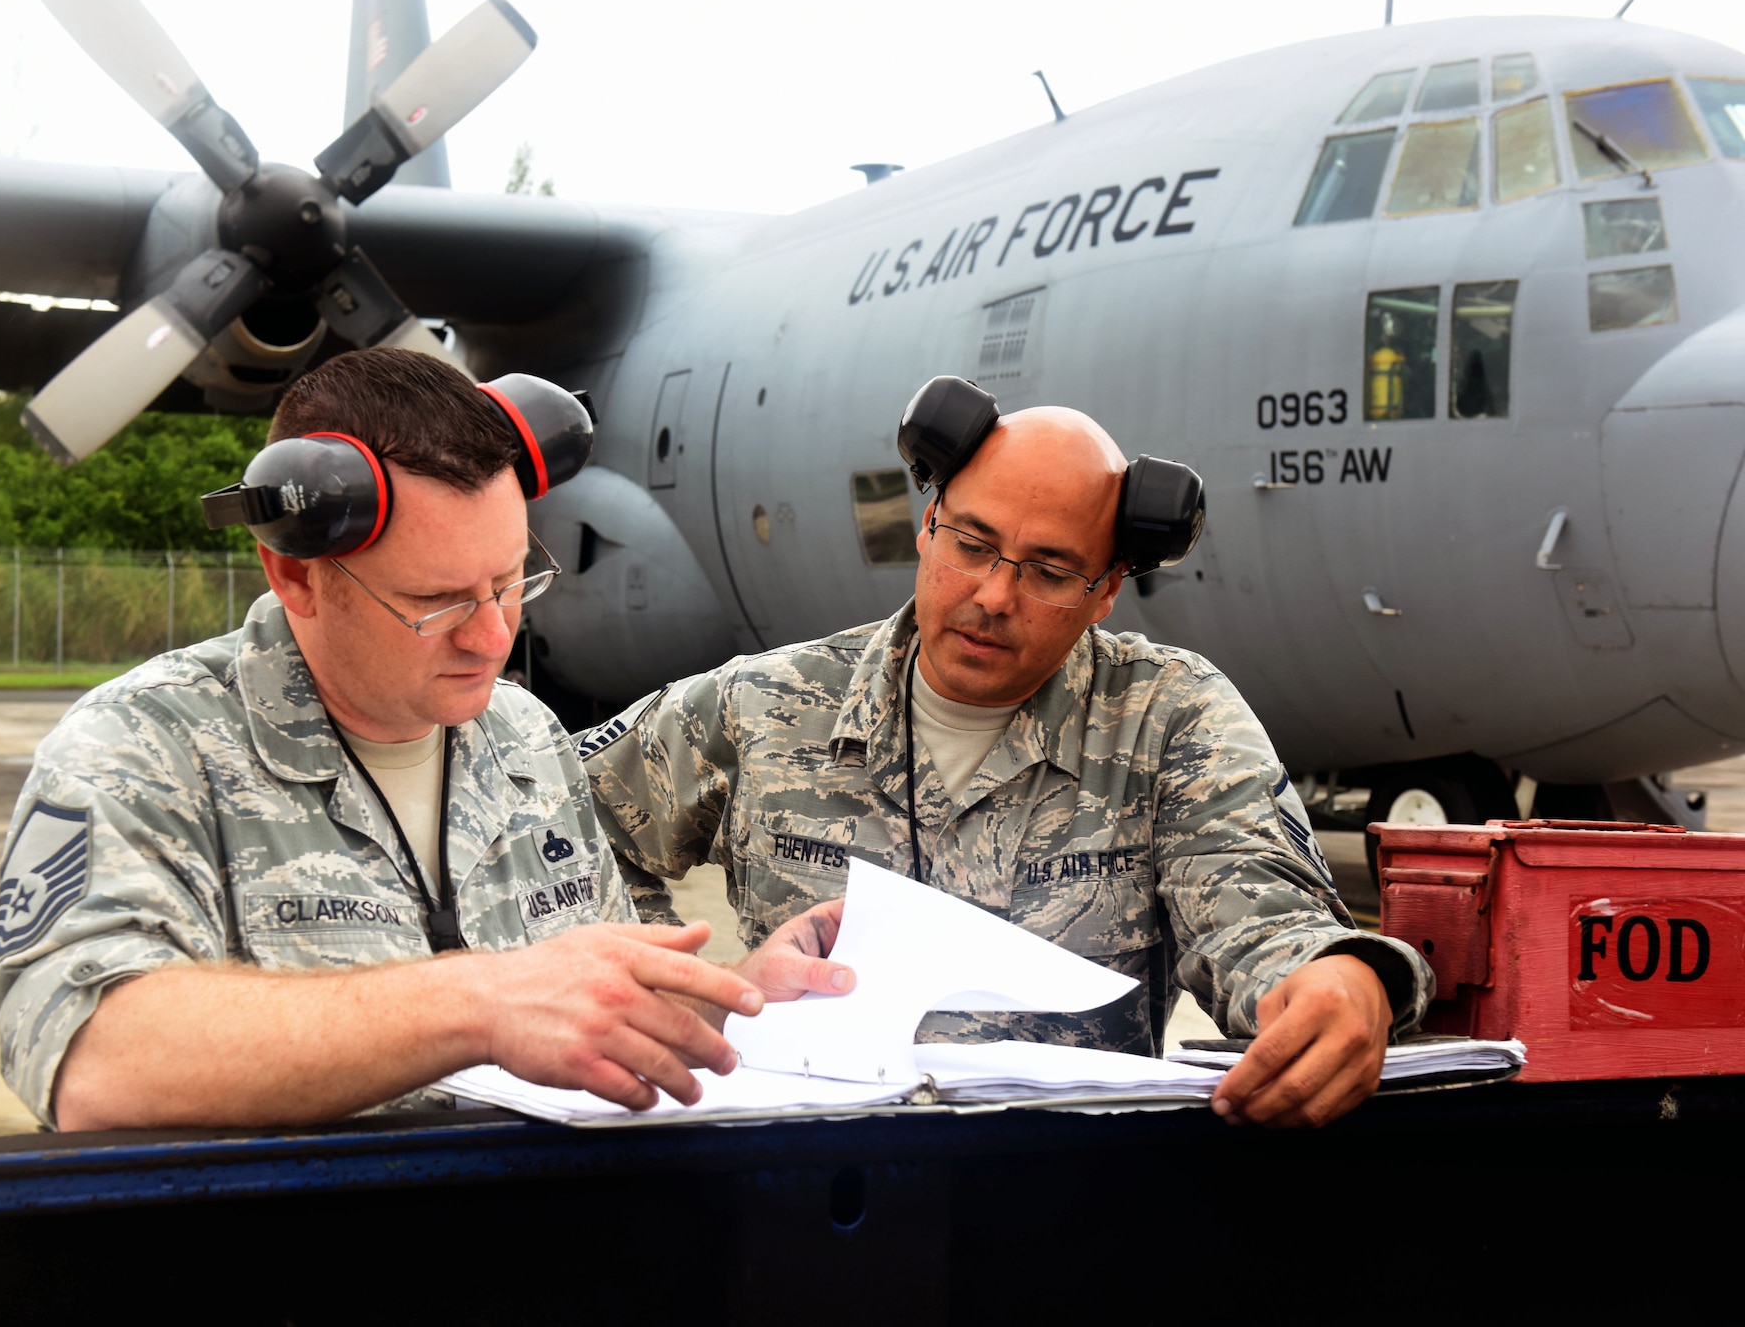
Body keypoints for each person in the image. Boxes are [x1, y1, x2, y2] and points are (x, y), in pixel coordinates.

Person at [584, 398, 1435, 1128]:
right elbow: (566, 825)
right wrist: (689, 996)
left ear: (1104, 591)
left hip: (1062, 1203)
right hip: (804, 1179)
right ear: (927, 526)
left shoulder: (1169, 720)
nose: (994, 594)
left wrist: (1341, 980)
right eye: (973, 543)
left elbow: (1260, 909)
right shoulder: (762, 705)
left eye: (1050, 570)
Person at [0, 349, 763, 1132]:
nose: (492, 638)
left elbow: (580, 998)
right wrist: (477, 1002)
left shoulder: (522, 732)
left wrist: (742, 998)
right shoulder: (141, 747)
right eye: (436, 602)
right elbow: (93, 1063)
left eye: (510, 581)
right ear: (295, 576)